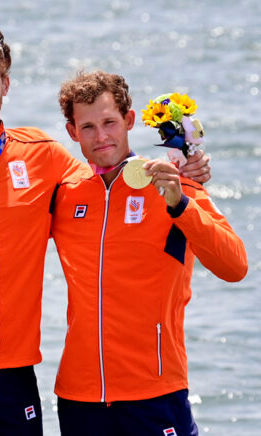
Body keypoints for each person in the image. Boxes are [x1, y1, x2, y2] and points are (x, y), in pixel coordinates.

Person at [0, 23, 212, 436]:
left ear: (6, 84)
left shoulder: (43, 155)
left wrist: (185, 170)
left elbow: (104, 181)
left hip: (11, 373)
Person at [50, 70, 247, 436]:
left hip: (155, 392)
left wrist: (180, 204)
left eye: (109, 122)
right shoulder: (65, 194)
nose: (101, 136)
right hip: (79, 397)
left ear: (129, 120)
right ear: (72, 132)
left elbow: (235, 266)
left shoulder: (173, 184)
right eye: (88, 127)